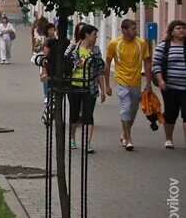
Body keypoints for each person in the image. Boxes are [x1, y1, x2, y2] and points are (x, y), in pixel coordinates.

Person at [104, 18, 152, 151]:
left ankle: (125, 133)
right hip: (121, 80)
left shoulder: (141, 43)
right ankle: (128, 139)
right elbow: (107, 63)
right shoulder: (115, 43)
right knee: (126, 107)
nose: (135, 31)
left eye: (136, 28)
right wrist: (107, 84)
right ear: (124, 30)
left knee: (133, 109)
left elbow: (147, 62)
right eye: (133, 28)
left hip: (136, 81)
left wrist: (148, 82)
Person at [65, 25, 106, 153]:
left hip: (90, 86)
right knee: (74, 114)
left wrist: (103, 89)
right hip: (74, 85)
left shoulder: (95, 51)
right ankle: (72, 138)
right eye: (94, 34)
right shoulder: (73, 49)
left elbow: (100, 70)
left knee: (88, 115)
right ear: (87, 35)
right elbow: (65, 65)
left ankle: (87, 143)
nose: (96, 37)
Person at [152, 19, 186, 149]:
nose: (181, 30)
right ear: (172, 31)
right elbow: (157, 65)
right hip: (170, 87)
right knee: (171, 114)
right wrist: (160, 80)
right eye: (178, 28)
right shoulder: (164, 46)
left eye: (183, 28)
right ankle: (169, 139)